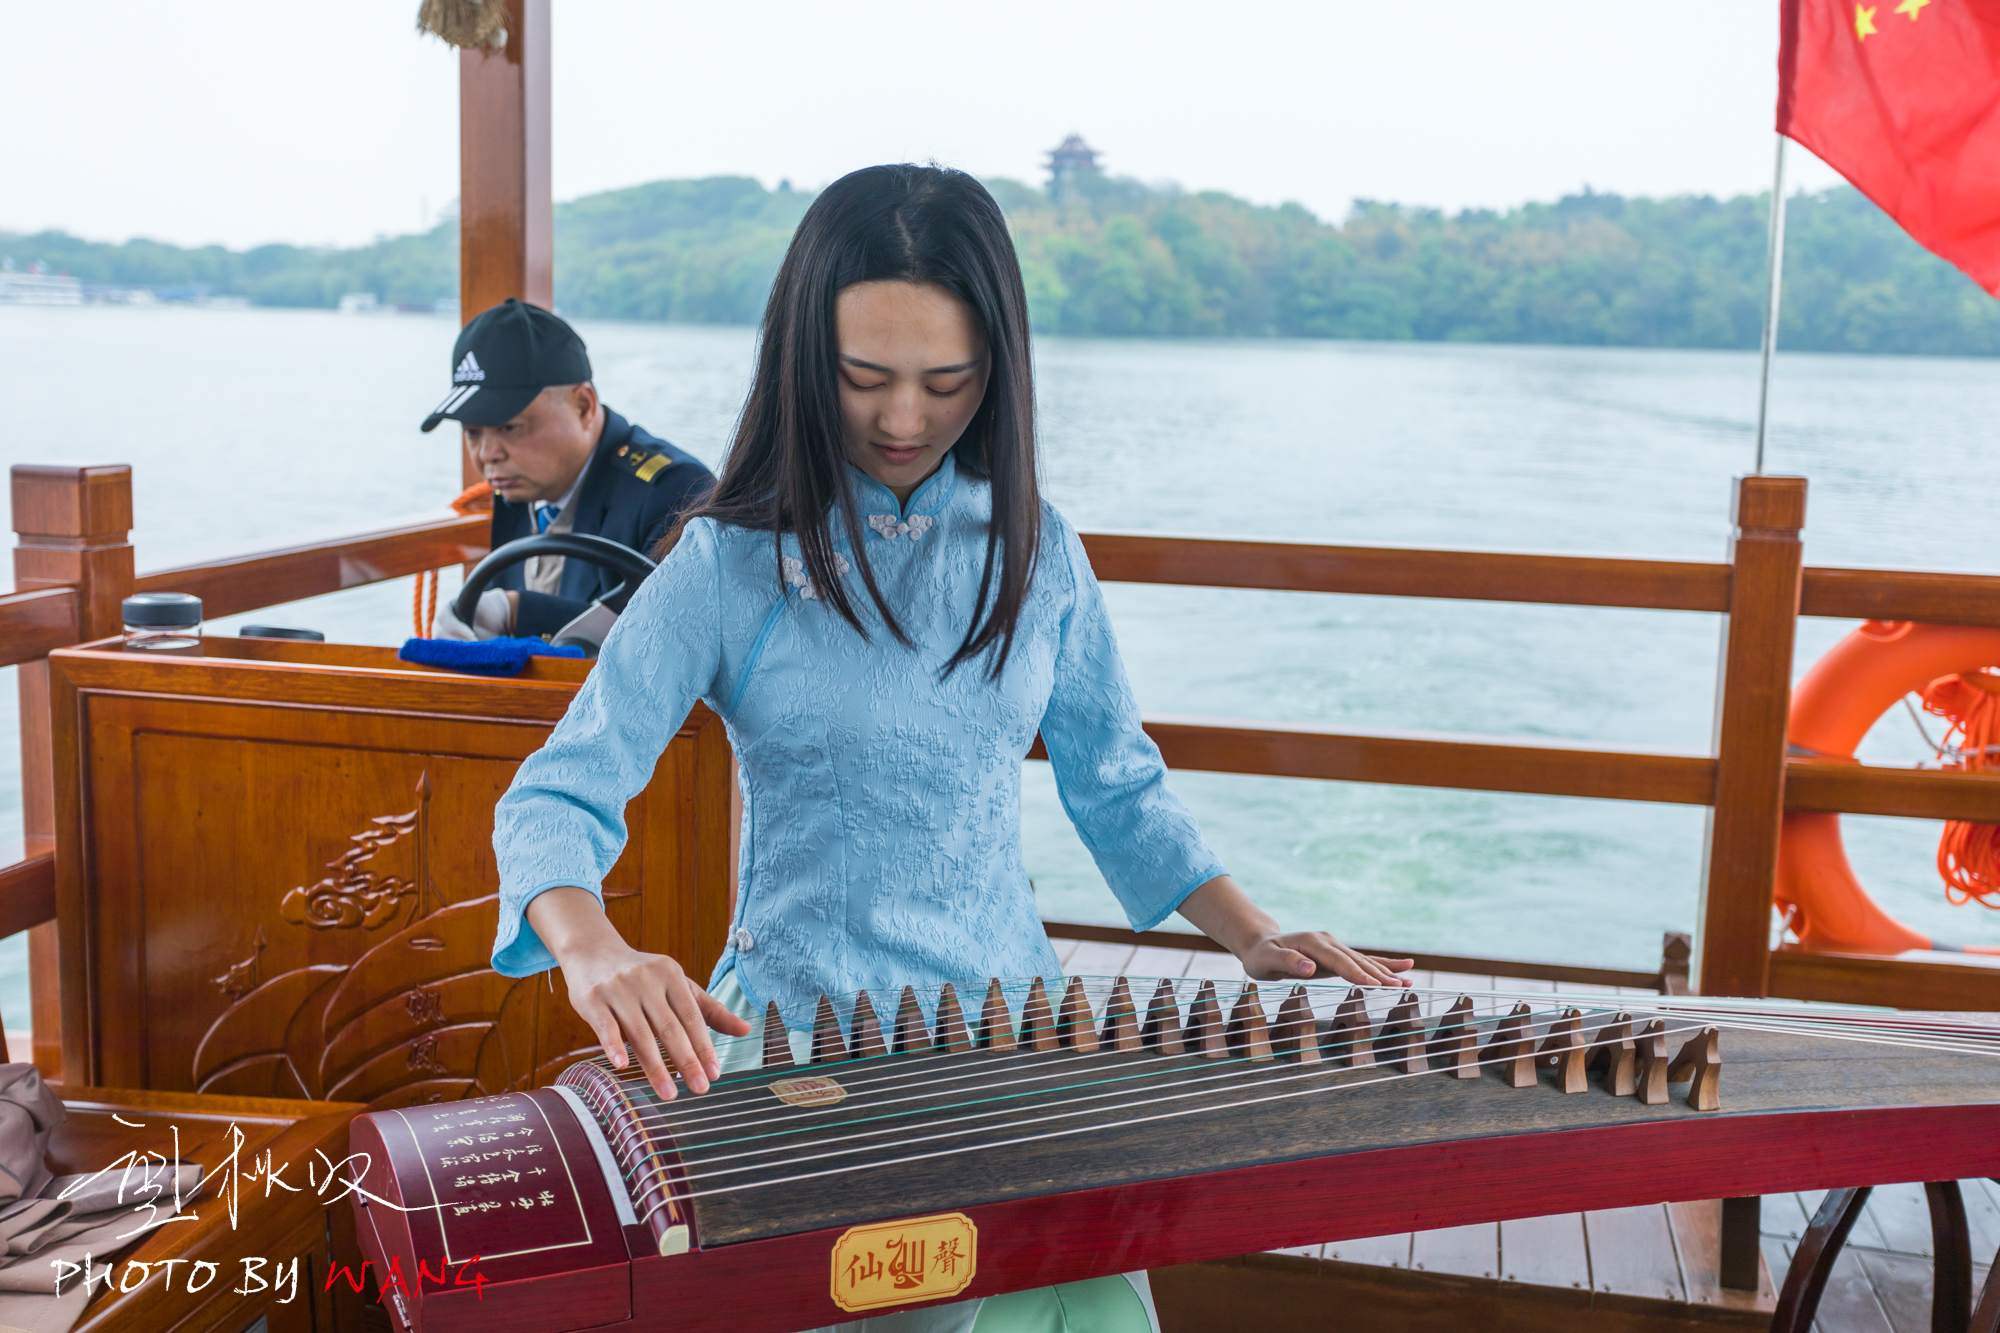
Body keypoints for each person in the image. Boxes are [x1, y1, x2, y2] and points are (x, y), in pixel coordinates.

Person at [488, 165, 1412, 1333]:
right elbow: (557, 793)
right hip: (808, 1043)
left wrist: (1249, 930)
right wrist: (591, 949)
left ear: (1000, 370)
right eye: (862, 377)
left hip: (1011, 1036)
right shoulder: (729, 562)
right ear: (801, 360)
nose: (902, 421)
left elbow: (1116, 780)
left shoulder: (1036, 548)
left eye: (946, 381)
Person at [420, 298, 714, 641]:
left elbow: (675, 637)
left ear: (583, 406)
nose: (488, 455)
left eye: (509, 427)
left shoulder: (678, 493)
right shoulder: (517, 487)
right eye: (472, 432)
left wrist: (517, 613)